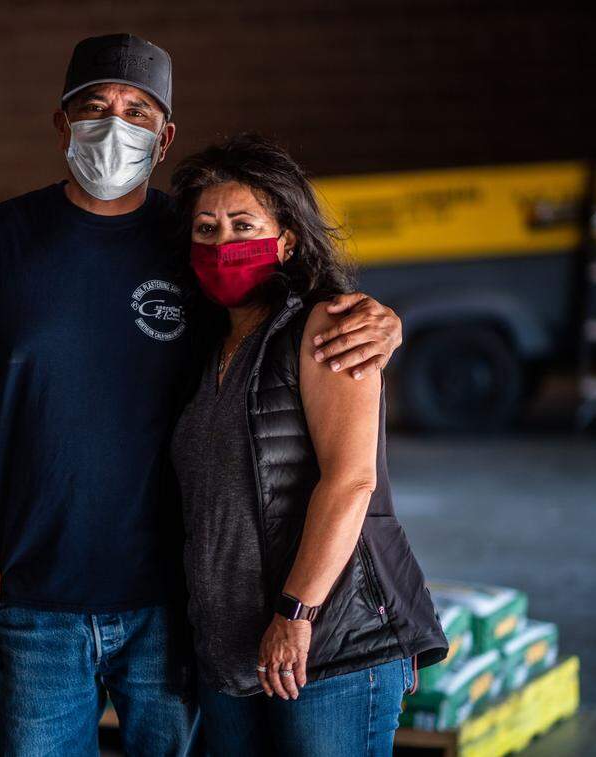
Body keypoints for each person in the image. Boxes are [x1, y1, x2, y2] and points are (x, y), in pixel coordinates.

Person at [0, 34, 406, 755]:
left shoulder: (196, 243)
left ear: (164, 135)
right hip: (33, 592)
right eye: (95, 106)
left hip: (175, 602)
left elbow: (291, 315)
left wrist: (383, 321)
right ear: (61, 122)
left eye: (137, 110)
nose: (115, 125)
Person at [169, 134, 449, 756]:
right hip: (231, 653)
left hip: (326, 647)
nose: (224, 244)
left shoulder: (328, 325)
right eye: (206, 229)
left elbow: (351, 481)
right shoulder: (203, 349)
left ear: (287, 237)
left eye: (244, 225)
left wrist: (295, 616)